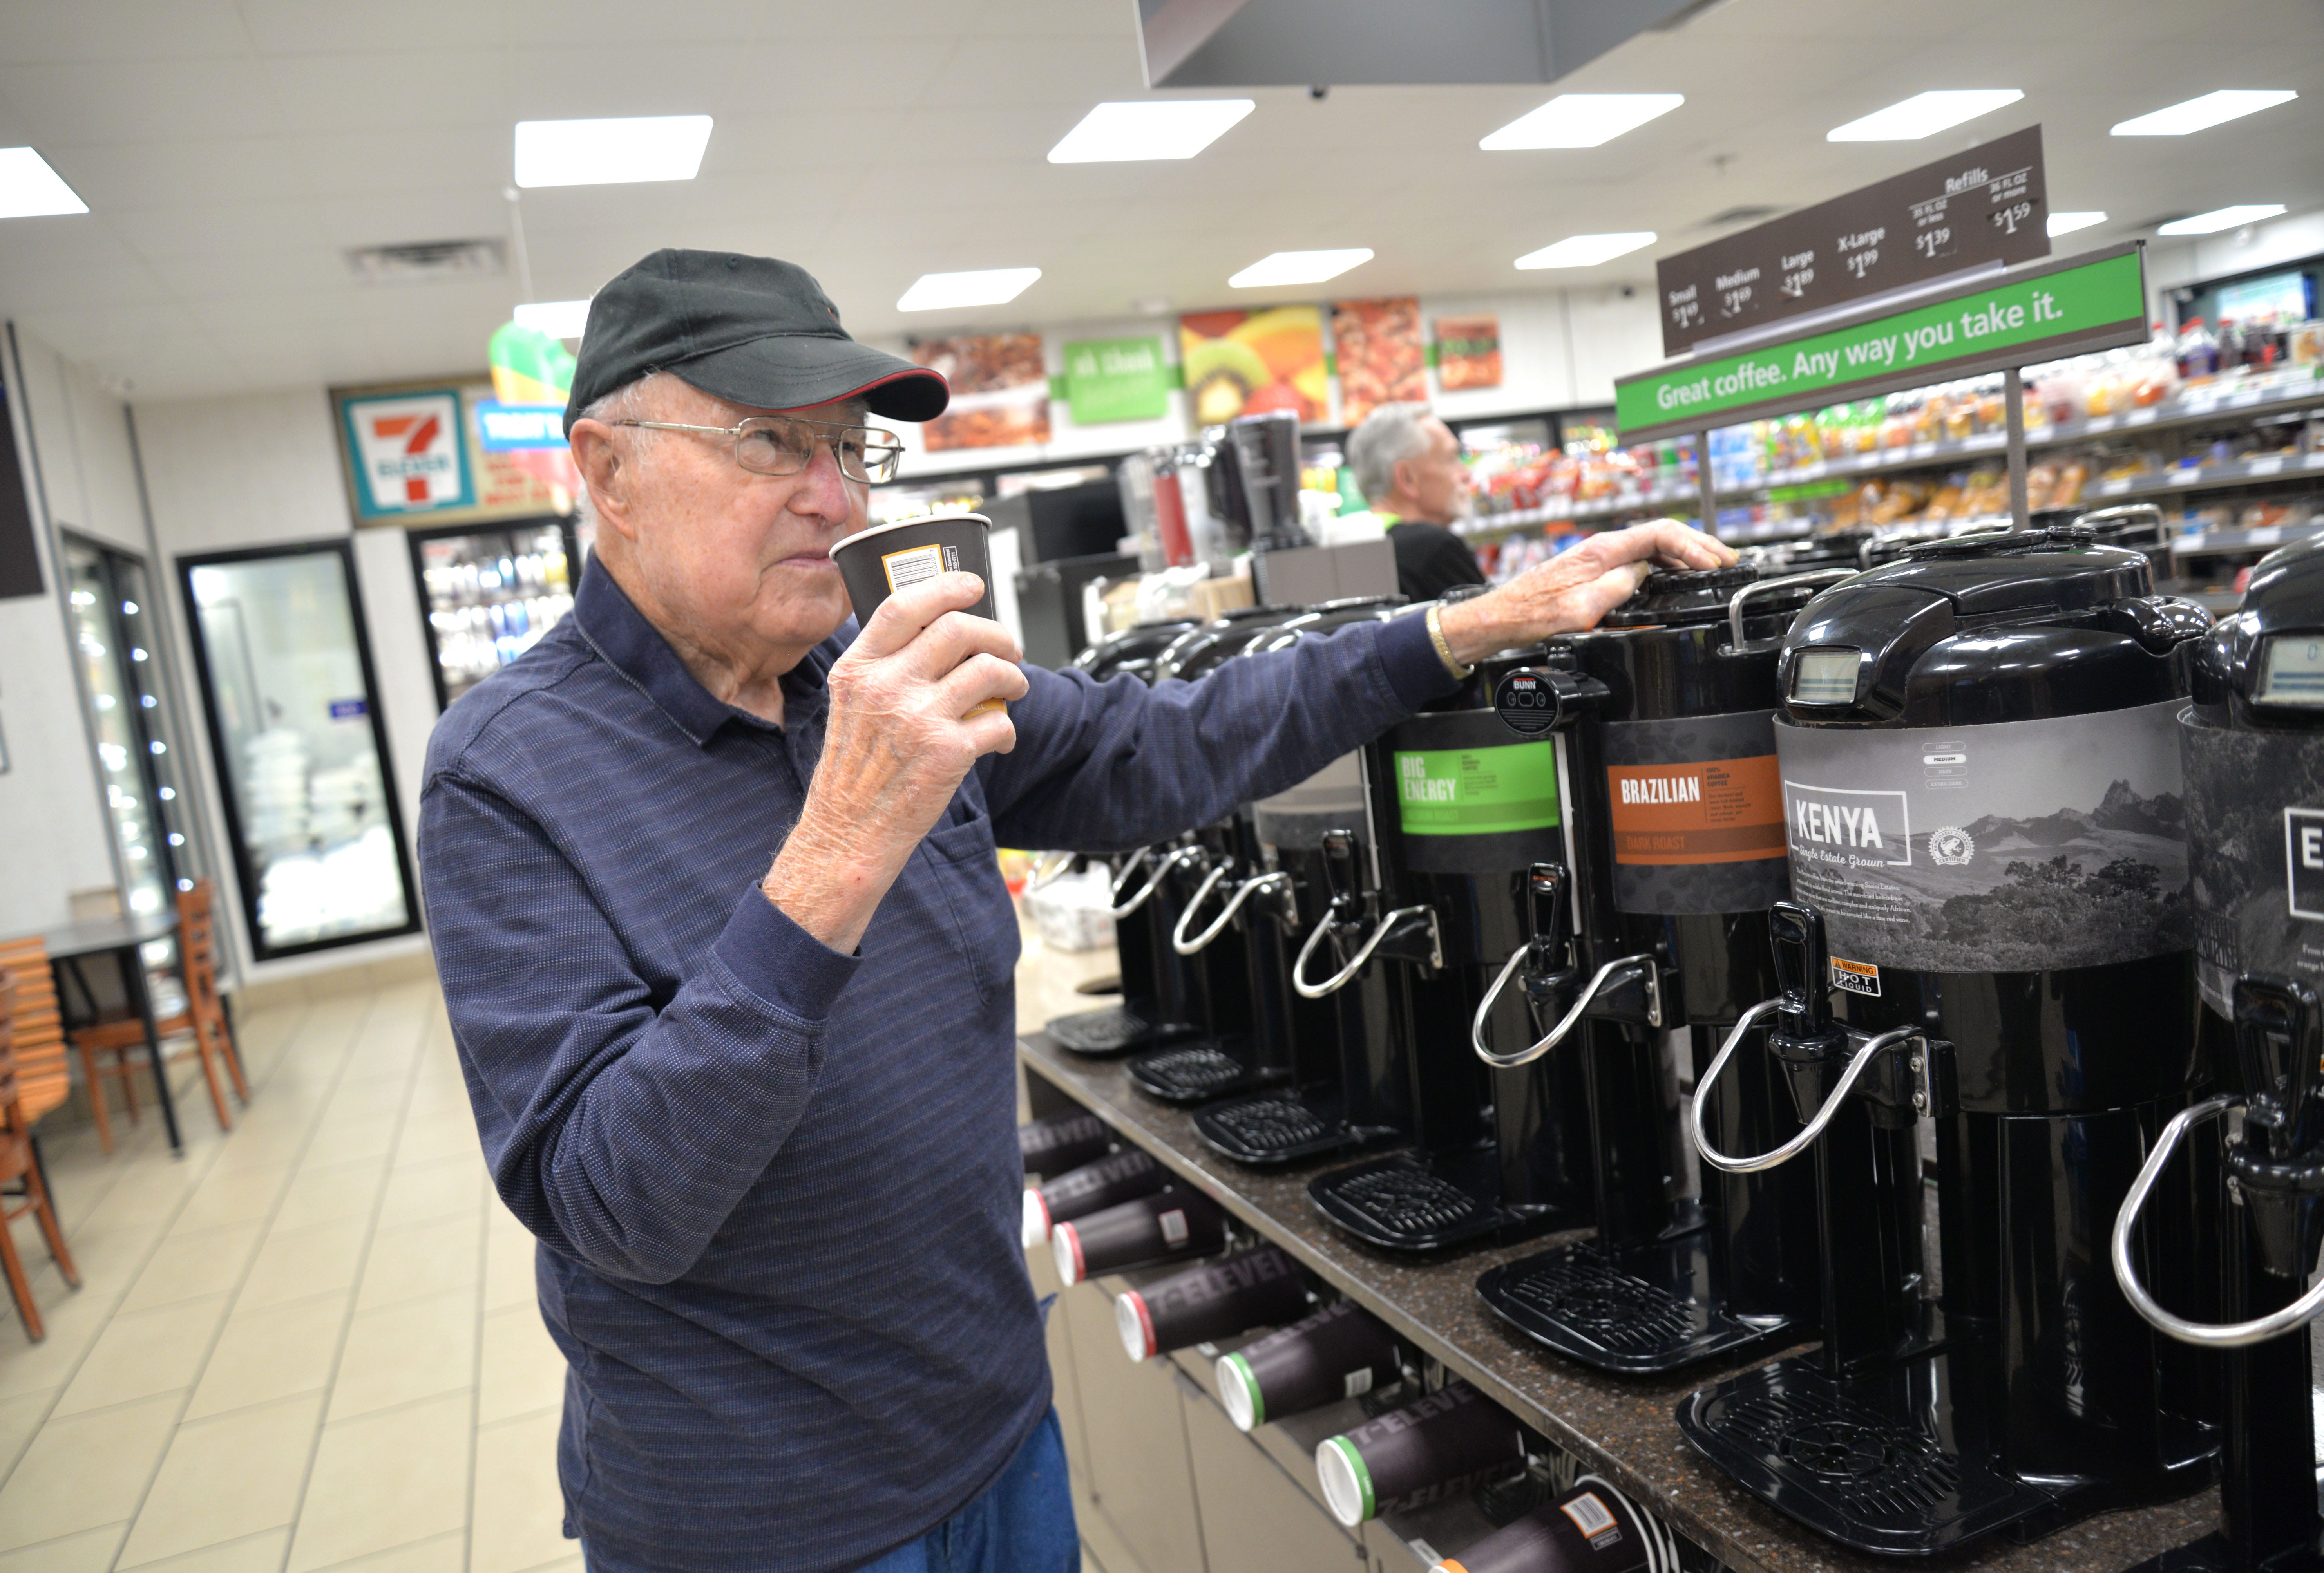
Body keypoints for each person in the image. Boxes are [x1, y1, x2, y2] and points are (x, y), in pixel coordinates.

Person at [416, 250, 1735, 1573]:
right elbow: (611, 1202)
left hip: (994, 1429)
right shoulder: (505, 772)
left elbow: (1155, 742)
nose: (831, 496)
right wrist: (835, 848)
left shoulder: (872, 667)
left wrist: (1455, 627)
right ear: (606, 468)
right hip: (760, 1513)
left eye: (847, 446)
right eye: (769, 441)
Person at [1345, 401, 1488, 601]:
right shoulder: (1433, 548)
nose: (1466, 474)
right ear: (1407, 479)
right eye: (1451, 459)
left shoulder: (1352, 550)